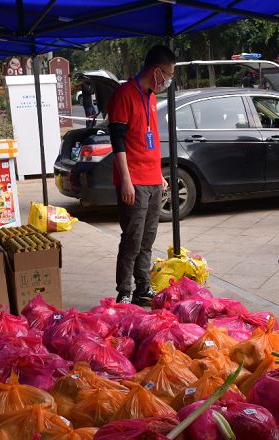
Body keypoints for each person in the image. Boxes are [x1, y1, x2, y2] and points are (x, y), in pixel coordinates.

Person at [108, 45, 176, 306]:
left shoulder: (150, 96)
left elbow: (151, 140)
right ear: (156, 71)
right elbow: (118, 141)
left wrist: (159, 173)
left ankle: (142, 288)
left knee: (148, 240)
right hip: (133, 181)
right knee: (132, 240)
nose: (168, 80)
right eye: (168, 74)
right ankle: (124, 291)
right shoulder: (124, 94)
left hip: (152, 178)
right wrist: (126, 179)